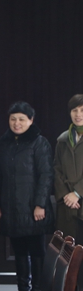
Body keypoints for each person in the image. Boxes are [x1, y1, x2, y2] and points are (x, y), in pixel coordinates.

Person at [0, 101, 54, 291]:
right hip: (11, 207)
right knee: (19, 252)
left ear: (31, 120)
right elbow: (0, 175)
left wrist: (40, 204)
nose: (16, 123)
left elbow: (46, 175)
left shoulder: (39, 142)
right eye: (13, 119)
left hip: (33, 208)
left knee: (37, 252)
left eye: (21, 119)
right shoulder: (4, 142)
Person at [55, 94, 83, 241]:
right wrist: (67, 195)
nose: (78, 114)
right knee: (68, 248)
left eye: (82, 110)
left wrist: (77, 193)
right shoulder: (63, 140)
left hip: (79, 197)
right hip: (67, 205)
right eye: (74, 110)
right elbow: (56, 169)